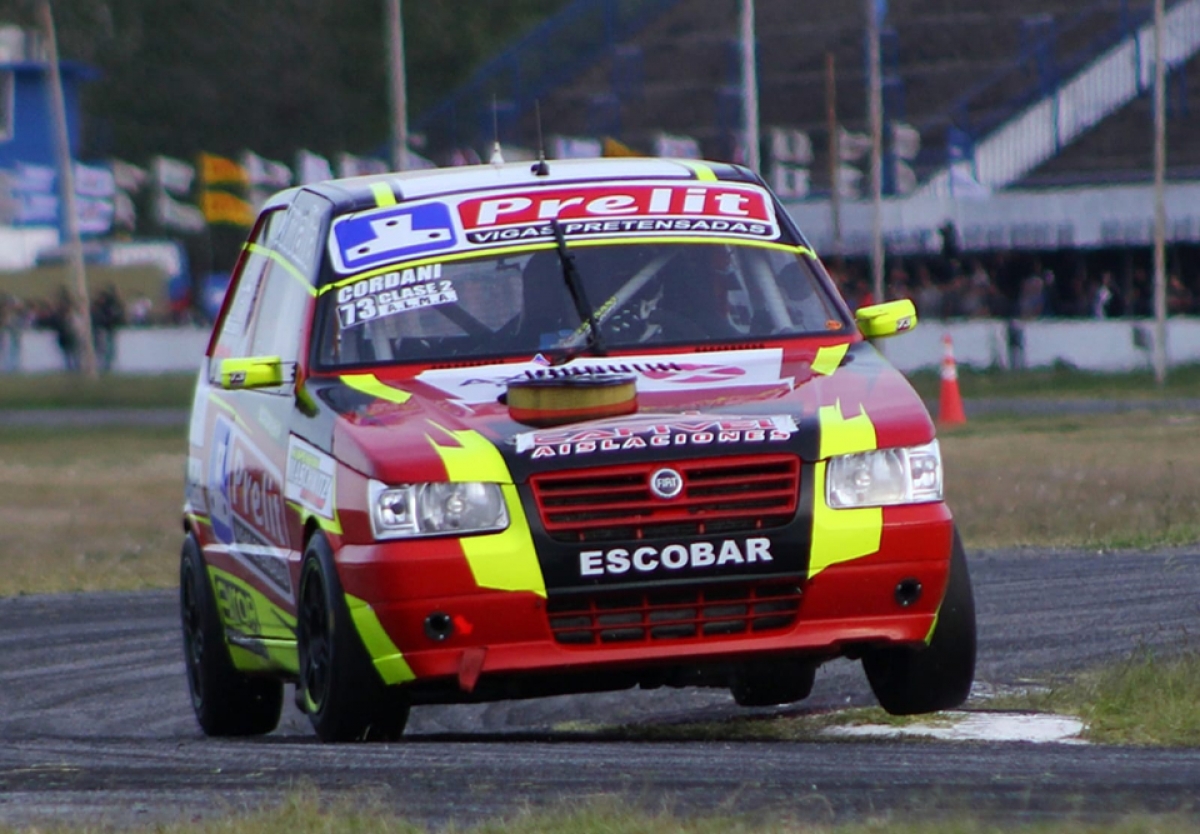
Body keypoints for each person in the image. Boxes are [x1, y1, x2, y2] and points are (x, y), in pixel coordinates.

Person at [91, 283, 126, 372]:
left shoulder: (106, 306)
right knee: (106, 348)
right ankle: (105, 364)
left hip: (108, 328)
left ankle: (107, 365)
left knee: (108, 348)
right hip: (106, 328)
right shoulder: (107, 306)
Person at [0, 293, 23, 373]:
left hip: (11, 333)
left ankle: (13, 365)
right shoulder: (5, 314)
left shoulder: (14, 315)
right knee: (5, 348)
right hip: (6, 333)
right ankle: (7, 365)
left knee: (13, 348)